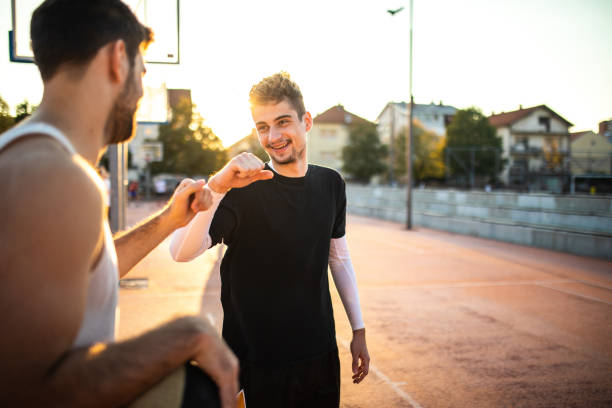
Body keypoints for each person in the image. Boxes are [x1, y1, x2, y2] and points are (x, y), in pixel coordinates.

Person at [0, 1, 242, 407]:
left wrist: (167, 221)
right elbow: (25, 388)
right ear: (117, 58)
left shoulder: (30, 160)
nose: (142, 88)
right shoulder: (57, 178)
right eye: (142, 70)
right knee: (196, 394)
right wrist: (188, 333)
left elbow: (83, 269)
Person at [170, 72, 370, 407]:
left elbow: (338, 258)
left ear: (306, 121)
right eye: (262, 127)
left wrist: (359, 330)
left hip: (318, 354)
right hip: (254, 363)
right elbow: (181, 252)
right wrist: (218, 185)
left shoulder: (331, 184)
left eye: (282, 122)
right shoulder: (244, 188)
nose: (273, 136)